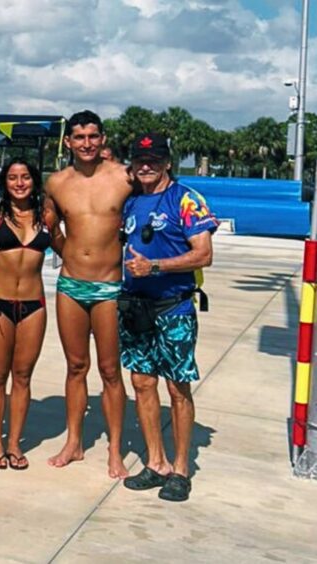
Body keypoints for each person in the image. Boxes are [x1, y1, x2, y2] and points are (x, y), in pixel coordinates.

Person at [119, 133, 217, 502]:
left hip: (173, 308)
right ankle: (155, 462)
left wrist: (155, 266)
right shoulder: (131, 202)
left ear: (168, 163)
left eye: (154, 159)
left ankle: (180, 468)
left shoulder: (186, 199)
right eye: (140, 159)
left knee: (177, 388)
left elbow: (204, 254)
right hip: (136, 306)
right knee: (142, 383)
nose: (146, 165)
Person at [44, 110, 130, 478]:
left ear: (103, 139)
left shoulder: (124, 177)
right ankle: (74, 442)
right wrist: (68, 252)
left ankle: (115, 450)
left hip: (110, 286)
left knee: (110, 370)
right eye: (79, 137)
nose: (87, 144)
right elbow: (50, 225)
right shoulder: (57, 182)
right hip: (71, 285)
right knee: (76, 367)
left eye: (93, 136)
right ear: (68, 142)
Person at [0, 159, 58, 471]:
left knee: (22, 376)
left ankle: (14, 443)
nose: (19, 183)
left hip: (34, 305)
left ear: (34, 180)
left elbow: (70, 248)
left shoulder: (46, 216)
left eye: (25, 177)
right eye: (12, 177)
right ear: (4, 182)